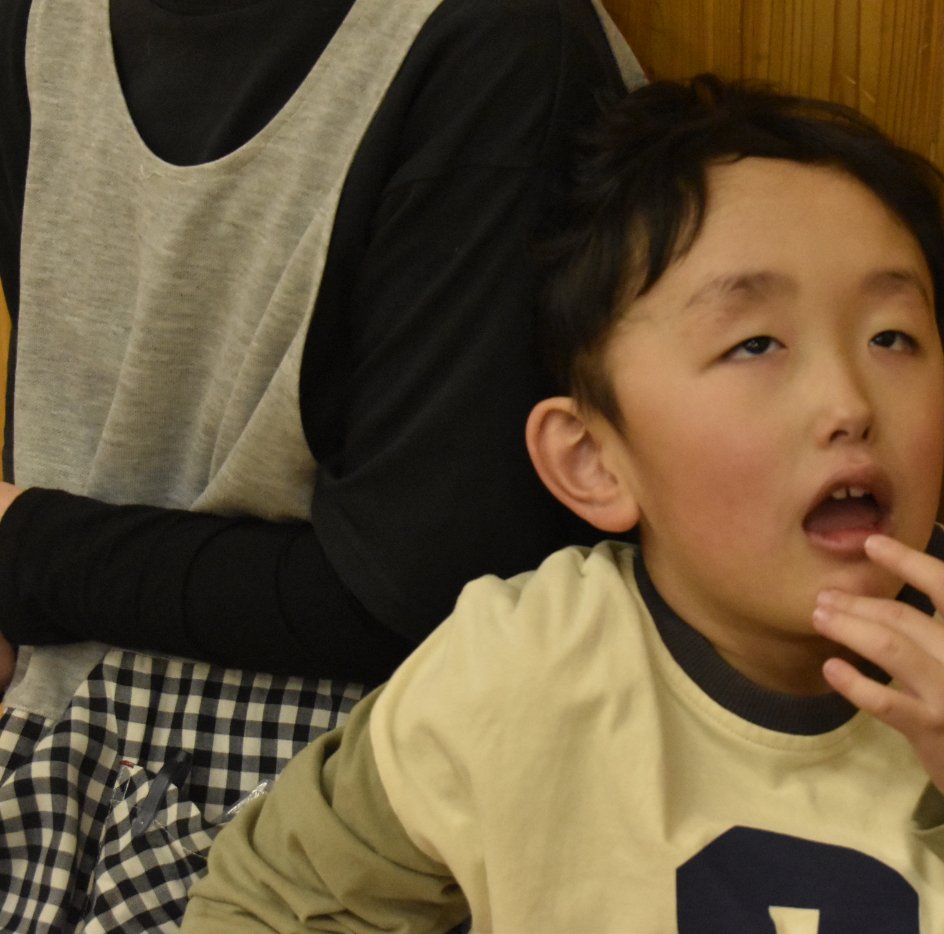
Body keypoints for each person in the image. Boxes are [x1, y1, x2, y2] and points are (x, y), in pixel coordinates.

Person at [181, 75, 944, 932]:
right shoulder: (519, 670)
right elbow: (268, 905)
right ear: (594, 461)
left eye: (893, 337)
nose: (848, 402)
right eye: (754, 344)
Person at [0, 0, 641, 928]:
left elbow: (418, 594)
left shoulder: (497, 46)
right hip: (53, 729)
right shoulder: (36, 25)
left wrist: (26, 552)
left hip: (334, 789)